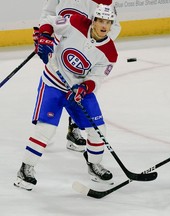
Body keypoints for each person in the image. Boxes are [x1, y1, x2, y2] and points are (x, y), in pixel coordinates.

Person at [14, 3, 118, 191]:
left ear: (112, 25)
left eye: (108, 22)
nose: (104, 25)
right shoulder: (77, 22)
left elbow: (97, 78)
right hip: (53, 82)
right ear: (93, 20)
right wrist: (44, 35)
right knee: (45, 129)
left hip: (78, 91)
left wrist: (85, 87)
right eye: (100, 20)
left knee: (98, 129)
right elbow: (50, 21)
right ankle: (26, 169)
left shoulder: (110, 52)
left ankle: (94, 165)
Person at [34, 0, 121, 152]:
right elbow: (48, 13)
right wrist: (42, 33)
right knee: (52, 86)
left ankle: (73, 129)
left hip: (83, 54)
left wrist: (93, 47)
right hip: (59, 45)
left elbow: (113, 26)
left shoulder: (104, 2)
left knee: (80, 92)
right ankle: (43, 131)